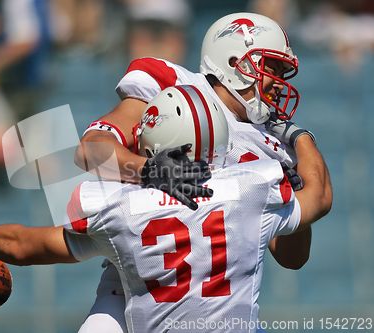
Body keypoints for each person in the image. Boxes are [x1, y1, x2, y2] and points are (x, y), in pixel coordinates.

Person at [0, 86, 332, 333]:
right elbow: (319, 198)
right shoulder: (252, 187)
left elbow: (26, 246)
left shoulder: (120, 208)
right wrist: (298, 137)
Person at [72, 12, 331, 332]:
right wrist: (150, 171)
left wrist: (294, 193)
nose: (278, 84)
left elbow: (292, 258)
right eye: (272, 68)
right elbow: (91, 151)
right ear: (238, 62)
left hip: (218, 301)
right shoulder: (175, 86)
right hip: (136, 284)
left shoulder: (274, 145)